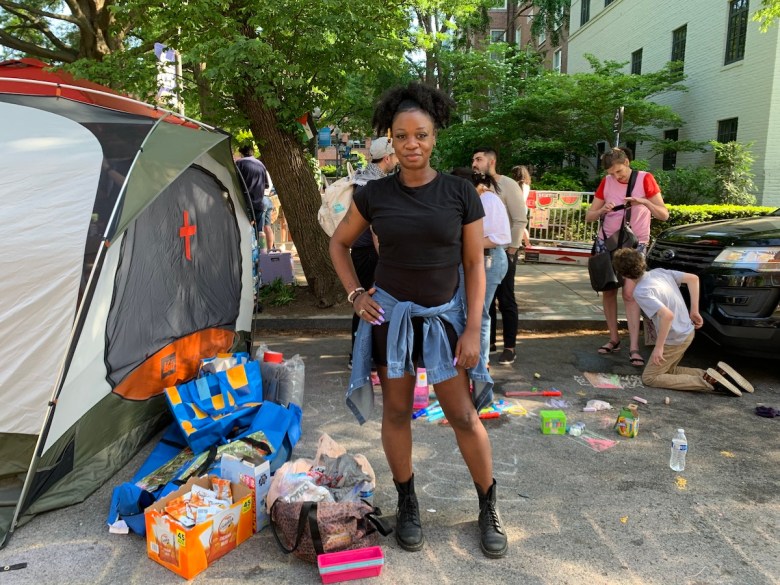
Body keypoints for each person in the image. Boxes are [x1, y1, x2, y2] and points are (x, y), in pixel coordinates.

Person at [329, 82, 508, 558]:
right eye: (403, 136)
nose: (412, 144)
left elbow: (474, 265)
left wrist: (473, 328)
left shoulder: (460, 193)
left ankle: (487, 506)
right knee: (395, 412)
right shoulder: (373, 195)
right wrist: (355, 293)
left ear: (434, 137)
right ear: (391, 137)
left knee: (464, 416)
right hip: (392, 319)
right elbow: (338, 244)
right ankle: (407, 502)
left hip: (446, 320)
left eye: (422, 135)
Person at [612, 248, 753, 396]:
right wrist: (694, 311)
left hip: (674, 338)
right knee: (669, 371)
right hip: (687, 332)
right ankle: (718, 374)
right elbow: (693, 279)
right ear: (642, 262)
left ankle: (709, 382)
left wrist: (659, 347)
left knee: (650, 377)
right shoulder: (660, 272)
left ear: (624, 275)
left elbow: (667, 316)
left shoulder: (641, 291)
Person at [585, 146, 669, 367]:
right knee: (608, 290)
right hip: (608, 242)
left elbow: (664, 214)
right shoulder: (607, 182)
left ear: (628, 163)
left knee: (631, 294)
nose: (616, 176)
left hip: (634, 243)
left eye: (619, 172)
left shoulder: (645, 179)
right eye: (612, 173)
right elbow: (589, 216)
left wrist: (644, 202)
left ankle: (634, 347)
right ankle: (614, 338)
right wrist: (602, 211)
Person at [472, 147, 527, 365]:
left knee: (506, 299)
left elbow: (520, 219)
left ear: (491, 161)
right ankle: (489, 342)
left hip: (503, 251)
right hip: (483, 252)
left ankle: (510, 346)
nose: (474, 163)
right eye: (473, 160)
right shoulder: (478, 187)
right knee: (486, 301)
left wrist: (512, 249)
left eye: (479, 159)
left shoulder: (507, 184)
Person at [347, 137, 398, 369]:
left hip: (360, 250)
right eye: (395, 155)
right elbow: (375, 227)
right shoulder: (374, 184)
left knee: (366, 302)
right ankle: (360, 357)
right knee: (369, 302)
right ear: (387, 158)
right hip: (370, 251)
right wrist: (386, 257)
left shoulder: (361, 178)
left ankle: (360, 355)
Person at [451, 169, 511, 367]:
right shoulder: (465, 200)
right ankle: (466, 359)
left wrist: (464, 242)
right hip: (468, 259)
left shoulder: (489, 200)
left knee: (479, 313)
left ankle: (479, 365)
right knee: (464, 310)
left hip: (488, 261)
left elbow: (501, 238)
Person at [235, 143, 269, 236]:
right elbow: (266, 185)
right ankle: (260, 249)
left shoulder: (239, 163)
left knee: (245, 230)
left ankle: (249, 250)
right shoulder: (261, 164)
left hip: (245, 202)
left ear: (241, 152)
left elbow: (235, 183)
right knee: (259, 232)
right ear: (252, 151)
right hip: (259, 202)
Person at [512, 165, 533, 248]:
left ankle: (527, 244)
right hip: (523, 207)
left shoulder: (517, 184)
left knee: (519, 227)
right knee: (521, 226)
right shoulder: (526, 185)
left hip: (517, 207)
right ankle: (523, 243)